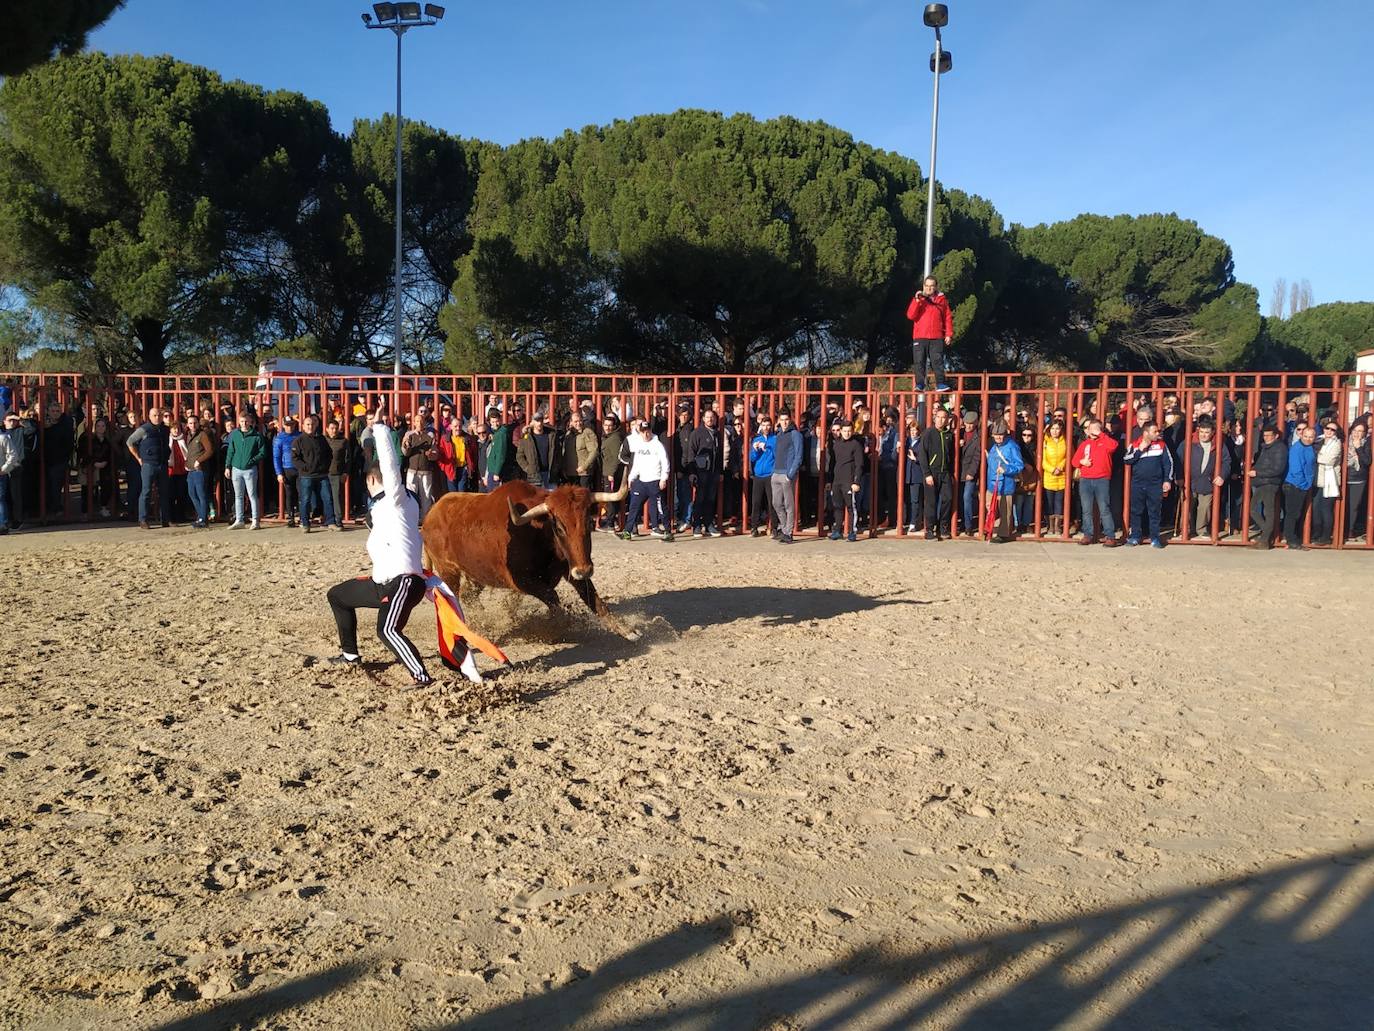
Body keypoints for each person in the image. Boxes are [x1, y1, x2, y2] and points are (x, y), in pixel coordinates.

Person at [325, 399, 434, 687]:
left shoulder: (397, 498)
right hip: (383, 582)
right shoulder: (390, 507)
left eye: (370, 484)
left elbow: (389, 462)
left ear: (374, 481)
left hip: (404, 582)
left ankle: (422, 676)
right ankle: (350, 655)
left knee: (386, 630)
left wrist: (379, 427)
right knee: (337, 595)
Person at [1122, 420, 1174, 547]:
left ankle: (1155, 538)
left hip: (1155, 484)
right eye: (1154, 431)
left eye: (1158, 431)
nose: (1158, 433)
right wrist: (1139, 450)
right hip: (1137, 484)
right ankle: (1135, 537)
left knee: (1154, 512)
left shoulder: (1161, 445)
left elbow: (1168, 463)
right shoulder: (1134, 445)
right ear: (1146, 433)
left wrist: (1167, 480)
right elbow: (1127, 460)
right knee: (1136, 511)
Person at [621, 418, 672, 541]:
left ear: (650, 430)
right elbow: (636, 464)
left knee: (661, 508)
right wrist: (631, 477)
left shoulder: (658, 445)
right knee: (634, 507)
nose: (645, 434)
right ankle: (627, 531)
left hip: (655, 481)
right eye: (643, 432)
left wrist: (663, 478)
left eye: (647, 431)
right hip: (641, 481)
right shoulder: (639, 445)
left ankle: (667, 532)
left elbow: (665, 462)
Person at [1071, 418, 1119, 546]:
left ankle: (1110, 536)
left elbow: (1114, 446)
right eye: (1089, 428)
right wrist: (1082, 462)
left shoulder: (1106, 441)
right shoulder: (1084, 444)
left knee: (1104, 508)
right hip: (1086, 479)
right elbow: (1074, 461)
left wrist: (1100, 434)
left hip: (1102, 479)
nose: (1090, 431)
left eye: (1093, 428)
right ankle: (1088, 535)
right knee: (1086, 509)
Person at [124, 407, 171, 529]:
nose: (157, 418)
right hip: (148, 465)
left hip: (162, 463)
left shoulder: (165, 430)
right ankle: (143, 520)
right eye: (154, 415)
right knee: (146, 492)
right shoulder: (144, 429)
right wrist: (138, 458)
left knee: (164, 492)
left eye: (159, 415)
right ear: (149, 416)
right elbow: (130, 442)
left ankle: (165, 519)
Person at [905, 275, 954, 392]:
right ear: (923, 287)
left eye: (932, 286)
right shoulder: (919, 299)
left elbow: (947, 317)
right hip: (920, 337)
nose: (929, 288)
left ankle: (941, 384)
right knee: (919, 361)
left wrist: (948, 334)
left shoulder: (942, 300)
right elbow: (910, 315)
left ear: (936, 287)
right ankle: (920, 384)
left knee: (937, 361)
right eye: (927, 286)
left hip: (936, 337)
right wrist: (917, 301)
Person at [293, 414, 338, 532]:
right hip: (306, 476)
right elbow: (295, 458)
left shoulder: (321, 439)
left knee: (327, 498)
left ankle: (331, 522)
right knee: (306, 500)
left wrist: (325, 467)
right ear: (303, 426)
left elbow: (329, 454)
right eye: (307, 424)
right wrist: (305, 468)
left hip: (322, 475)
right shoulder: (299, 441)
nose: (310, 427)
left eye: (312, 424)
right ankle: (305, 523)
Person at [1186, 419, 1230, 539]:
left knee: (1204, 507)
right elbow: (1179, 458)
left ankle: (1202, 529)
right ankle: (1186, 528)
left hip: (1208, 481)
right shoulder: (1189, 442)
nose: (1203, 435)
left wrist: (1222, 475)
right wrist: (1179, 476)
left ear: (1212, 433)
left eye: (1207, 432)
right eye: (1202, 432)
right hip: (1189, 480)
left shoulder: (1218, 444)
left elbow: (1226, 461)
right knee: (1188, 505)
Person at [224, 411, 268, 530]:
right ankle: (239, 520)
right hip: (236, 469)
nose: (243, 423)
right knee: (238, 495)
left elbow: (262, 452)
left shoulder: (257, 436)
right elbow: (230, 451)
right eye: (242, 421)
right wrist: (227, 466)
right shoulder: (235, 435)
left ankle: (255, 520)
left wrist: (252, 461)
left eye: (246, 421)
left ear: (250, 422)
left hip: (250, 470)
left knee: (252, 495)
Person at [918, 406, 955, 540]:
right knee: (931, 502)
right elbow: (922, 454)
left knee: (948, 499)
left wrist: (951, 473)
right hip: (932, 473)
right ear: (934, 418)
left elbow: (952, 455)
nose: (940, 420)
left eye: (943, 417)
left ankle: (943, 526)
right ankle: (929, 529)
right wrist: (927, 474)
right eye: (938, 417)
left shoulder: (949, 435)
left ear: (947, 420)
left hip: (945, 472)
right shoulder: (928, 433)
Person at [1248, 424, 1287, 550]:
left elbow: (1278, 469)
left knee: (1267, 511)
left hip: (1269, 483)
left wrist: (1257, 473)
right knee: (1255, 510)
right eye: (1264, 435)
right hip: (1262, 482)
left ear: (1276, 436)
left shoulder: (1279, 448)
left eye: (1269, 435)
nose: (1266, 438)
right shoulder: (1266, 447)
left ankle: (1265, 538)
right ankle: (1265, 536)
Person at [985, 423, 1024, 544]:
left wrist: (1006, 469)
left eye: (1000, 435)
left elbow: (1019, 465)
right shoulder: (993, 445)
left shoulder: (1012, 446)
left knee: (1005, 509)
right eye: (996, 435)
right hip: (992, 483)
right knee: (990, 507)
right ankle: (992, 528)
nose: (998, 438)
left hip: (1005, 484)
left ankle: (1003, 534)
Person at [1281, 425, 1317, 550]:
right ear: (1301, 435)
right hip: (1295, 485)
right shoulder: (1297, 448)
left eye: (1311, 436)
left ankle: (1293, 538)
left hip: (1301, 484)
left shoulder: (1309, 447)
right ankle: (1291, 539)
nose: (1308, 439)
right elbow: (1296, 469)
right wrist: (1304, 485)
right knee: (1293, 514)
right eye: (1306, 436)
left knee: (1297, 513)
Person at [829, 420, 865, 542]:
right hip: (837, 480)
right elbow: (832, 463)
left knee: (851, 507)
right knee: (837, 506)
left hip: (849, 481)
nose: (847, 433)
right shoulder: (836, 444)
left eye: (849, 431)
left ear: (852, 431)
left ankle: (851, 531)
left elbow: (859, 465)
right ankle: (837, 530)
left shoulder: (855, 445)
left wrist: (856, 482)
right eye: (844, 431)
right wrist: (830, 480)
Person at [687, 409, 722, 537]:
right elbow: (691, 453)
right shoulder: (697, 433)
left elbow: (719, 454)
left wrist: (720, 471)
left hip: (713, 472)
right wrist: (692, 472)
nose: (710, 419)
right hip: (700, 471)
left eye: (712, 417)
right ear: (703, 418)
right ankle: (696, 525)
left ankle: (708, 524)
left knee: (710, 499)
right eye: (707, 417)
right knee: (699, 499)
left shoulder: (717, 434)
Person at [771, 411, 803, 544]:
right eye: (782, 419)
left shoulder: (795, 434)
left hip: (786, 474)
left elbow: (798, 455)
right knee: (777, 503)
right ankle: (784, 529)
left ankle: (788, 532)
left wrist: (791, 474)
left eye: (786, 419)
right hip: (776, 473)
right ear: (778, 420)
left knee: (789, 505)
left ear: (790, 420)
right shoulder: (778, 435)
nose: (784, 422)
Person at [401, 413, 438, 520]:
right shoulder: (409, 435)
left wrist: (432, 454)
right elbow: (405, 453)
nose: (419, 423)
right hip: (412, 470)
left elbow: (435, 453)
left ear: (425, 423)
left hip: (426, 471)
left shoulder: (430, 436)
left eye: (421, 421)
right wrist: (406, 446)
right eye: (417, 421)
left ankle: (425, 519)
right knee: (411, 496)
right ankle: (411, 518)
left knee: (426, 496)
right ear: (414, 423)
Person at [1311, 422, 1343, 546]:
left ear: (1336, 432)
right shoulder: (1319, 439)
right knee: (1316, 508)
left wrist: (1315, 456)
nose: (1329, 431)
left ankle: (1325, 536)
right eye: (1327, 428)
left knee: (1326, 509)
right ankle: (1317, 533)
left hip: (1330, 481)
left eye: (1332, 430)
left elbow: (1329, 460)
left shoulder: (1336, 443)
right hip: (1318, 479)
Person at [184, 413, 216, 528]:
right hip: (190, 470)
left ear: (198, 424)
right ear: (187, 424)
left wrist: (199, 460)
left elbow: (209, 450)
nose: (193, 425)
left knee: (201, 494)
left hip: (200, 469)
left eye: (195, 423)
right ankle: (202, 516)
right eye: (190, 423)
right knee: (192, 493)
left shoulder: (202, 435)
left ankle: (203, 519)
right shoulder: (187, 435)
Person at [79, 415, 115, 518]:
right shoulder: (87, 438)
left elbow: (110, 454)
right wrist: (94, 462)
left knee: (107, 487)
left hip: (104, 467)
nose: (100, 428)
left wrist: (105, 462)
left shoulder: (107, 440)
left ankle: (103, 507)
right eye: (98, 426)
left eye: (103, 426)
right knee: (86, 489)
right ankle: (85, 511)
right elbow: (83, 452)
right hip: (90, 466)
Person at [748, 415, 776, 537]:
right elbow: (752, 458)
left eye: (768, 425)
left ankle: (774, 527)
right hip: (758, 475)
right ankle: (754, 527)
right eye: (764, 425)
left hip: (770, 474)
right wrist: (755, 449)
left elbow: (777, 455)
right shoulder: (756, 439)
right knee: (756, 502)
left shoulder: (775, 439)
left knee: (772, 503)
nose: (766, 427)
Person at [597, 414, 626, 531]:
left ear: (614, 426)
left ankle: (610, 523)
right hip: (607, 471)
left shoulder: (614, 438)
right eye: (606, 425)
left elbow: (616, 458)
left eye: (610, 425)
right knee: (609, 497)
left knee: (611, 498)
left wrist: (612, 473)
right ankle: (611, 521)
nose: (607, 427)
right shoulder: (607, 437)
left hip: (611, 473)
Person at [1041, 419, 1068, 537]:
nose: (1055, 431)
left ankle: (1058, 526)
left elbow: (1068, 456)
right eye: (1052, 428)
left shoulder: (1066, 441)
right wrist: (1052, 469)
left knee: (1059, 502)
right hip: (1049, 476)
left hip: (1062, 476)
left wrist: (1060, 467)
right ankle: (1050, 525)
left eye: (1057, 428)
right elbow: (1042, 459)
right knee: (1049, 502)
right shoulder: (1045, 442)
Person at [273, 417, 302, 527]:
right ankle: (291, 517)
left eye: (292, 424)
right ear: (284, 425)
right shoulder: (279, 438)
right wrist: (279, 473)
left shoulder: (299, 435)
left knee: (301, 493)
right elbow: (276, 456)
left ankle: (302, 516)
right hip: (287, 468)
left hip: (299, 468)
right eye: (288, 425)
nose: (290, 427)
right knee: (289, 494)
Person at [562, 408, 599, 490]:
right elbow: (565, 453)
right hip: (571, 472)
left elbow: (594, 451)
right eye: (575, 421)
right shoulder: (568, 434)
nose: (578, 423)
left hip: (584, 473)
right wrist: (564, 468)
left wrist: (584, 466)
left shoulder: (587, 432)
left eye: (580, 421)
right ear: (571, 422)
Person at [515, 410, 554, 490]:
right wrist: (527, 468)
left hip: (550, 475)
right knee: (536, 501)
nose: (539, 423)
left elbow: (557, 453)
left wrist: (556, 467)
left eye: (541, 421)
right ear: (532, 422)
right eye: (537, 421)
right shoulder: (526, 437)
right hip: (534, 476)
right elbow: (519, 456)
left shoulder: (551, 435)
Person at [1346, 422, 1371, 542]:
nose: (1357, 433)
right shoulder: (1345, 441)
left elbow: (1367, 461)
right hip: (1344, 476)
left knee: (1354, 506)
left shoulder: (1366, 443)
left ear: (1365, 433)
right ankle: (1341, 528)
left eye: (1360, 431)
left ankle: (1350, 529)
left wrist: (1358, 448)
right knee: (1342, 504)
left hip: (1358, 478)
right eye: (1355, 430)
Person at [325, 419, 351, 526]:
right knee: (326, 497)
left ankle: (338, 520)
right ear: (327, 429)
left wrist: (345, 472)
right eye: (332, 428)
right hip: (323, 473)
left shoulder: (343, 441)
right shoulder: (323, 440)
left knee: (337, 498)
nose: (334, 431)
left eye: (336, 428)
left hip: (337, 473)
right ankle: (328, 519)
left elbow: (348, 459)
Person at [959, 411, 981, 536]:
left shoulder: (978, 437)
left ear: (976, 423)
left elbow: (977, 457)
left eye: (971, 424)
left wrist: (972, 472)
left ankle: (968, 525)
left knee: (967, 497)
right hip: (958, 471)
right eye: (967, 423)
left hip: (969, 473)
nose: (968, 426)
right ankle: (961, 522)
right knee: (959, 498)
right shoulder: (960, 434)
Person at [902, 412, 924, 535]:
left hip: (916, 475)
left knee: (915, 500)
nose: (914, 432)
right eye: (912, 430)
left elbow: (924, 458)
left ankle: (914, 522)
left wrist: (916, 459)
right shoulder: (906, 442)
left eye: (915, 430)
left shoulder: (921, 442)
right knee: (908, 499)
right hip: (907, 475)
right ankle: (910, 520)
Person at [0, 411, 20, 534]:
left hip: (1, 473)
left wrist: (4, 469)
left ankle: (3, 524)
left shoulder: (3, 437)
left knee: (0, 499)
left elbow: (13, 455)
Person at [168, 418, 190, 523]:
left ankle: (181, 516)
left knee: (182, 495)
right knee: (171, 495)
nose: (176, 431)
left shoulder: (184, 439)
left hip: (183, 470)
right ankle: (171, 517)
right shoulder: (168, 440)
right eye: (174, 429)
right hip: (171, 471)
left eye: (177, 429)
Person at [483, 409, 510, 492]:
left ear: (500, 420)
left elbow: (500, 455)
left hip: (495, 471)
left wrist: (497, 473)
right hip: (492, 468)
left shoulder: (501, 434)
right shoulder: (496, 433)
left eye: (497, 421)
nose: (495, 424)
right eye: (493, 422)